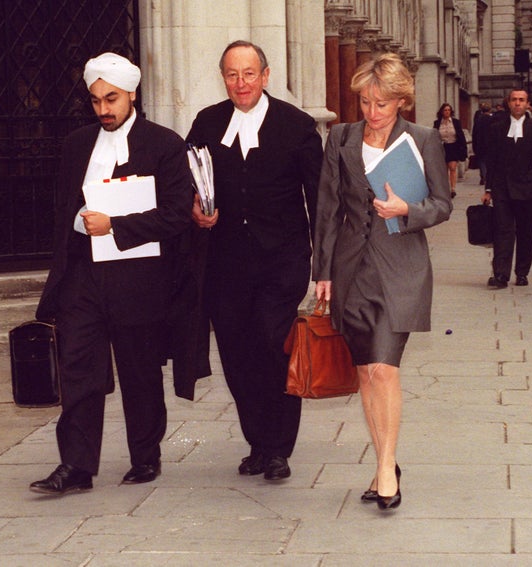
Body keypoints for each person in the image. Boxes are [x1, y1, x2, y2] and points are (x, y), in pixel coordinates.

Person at [29, 52, 195, 495]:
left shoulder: (164, 144)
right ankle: (76, 467)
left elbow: (178, 214)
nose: (104, 109)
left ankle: (145, 456)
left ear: (131, 95)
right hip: (83, 276)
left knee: (139, 370)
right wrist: (76, 220)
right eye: (97, 100)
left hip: (139, 279)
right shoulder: (76, 144)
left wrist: (116, 226)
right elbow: (63, 205)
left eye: (112, 99)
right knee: (79, 368)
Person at [313, 53, 452, 511]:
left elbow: (442, 204)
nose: (373, 113)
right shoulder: (340, 137)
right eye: (367, 102)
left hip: (401, 270)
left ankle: (386, 469)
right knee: (365, 373)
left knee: (384, 369)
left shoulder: (424, 140)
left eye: (383, 104)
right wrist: (324, 272)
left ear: (401, 102)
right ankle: (384, 464)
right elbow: (328, 209)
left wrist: (407, 210)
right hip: (353, 271)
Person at [186, 40, 322, 481]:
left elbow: (319, 198)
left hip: (281, 262)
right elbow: (187, 185)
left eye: (248, 73)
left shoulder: (297, 126)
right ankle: (257, 443)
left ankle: (279, 447)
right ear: (222, 77)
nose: (240, 83)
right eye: (231, 74)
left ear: (265, 76)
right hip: (225, 265)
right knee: (237, 354)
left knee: (273, 346)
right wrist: (195, 212)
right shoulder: (206, 124)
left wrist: (325, 266)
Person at [482, 89, 532, 289]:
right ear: (509, 103)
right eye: (514, 100)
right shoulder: (496, 128)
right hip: (502, 188)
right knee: (503, 230)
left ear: (527, 104)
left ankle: (522, 272)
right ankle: (501, 274)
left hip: (527, 188)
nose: (518, 103)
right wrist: (488, 188)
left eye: (521, 100)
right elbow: (491, 160)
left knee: (526, 231)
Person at [433, 103, 467, 198]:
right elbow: (434, 136)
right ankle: (445, 188)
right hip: (442, 147)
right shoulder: (437, 123)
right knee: (444, 170)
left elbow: (461, 135)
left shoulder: (456, 122)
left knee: (452, 168)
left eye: (449, 110)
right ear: (442, 112)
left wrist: (463, 149)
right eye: (445, 110)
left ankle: (453, 189)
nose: (447, 112)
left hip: (453, 146)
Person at [472, 102, 494, 185]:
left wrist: (474, 144)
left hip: (480, 143)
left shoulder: (478, 120)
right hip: (490, 144)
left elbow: (474, 133)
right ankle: (487, 177)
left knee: (481, 161)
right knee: (489, 161)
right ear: (490, 110)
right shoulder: (492, 120)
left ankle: (483, 176)